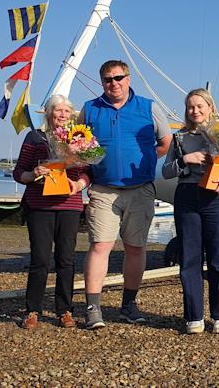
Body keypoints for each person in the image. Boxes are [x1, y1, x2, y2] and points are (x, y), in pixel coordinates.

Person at [80, 60, 172, 329]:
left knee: (135, 247)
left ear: (128, 78)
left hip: (139, 190)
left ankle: (129, 305)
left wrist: (145, 160)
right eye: (108, 79)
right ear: (102, 82)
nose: (114, 83)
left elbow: (165, 142)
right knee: (100, 246)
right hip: (103, 189)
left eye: (119, 77)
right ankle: (93, 307)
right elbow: (78, 144)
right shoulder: (90, 109)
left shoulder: (148, 107)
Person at [162, 89, 219, 335]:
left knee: (218, 258)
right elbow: (166, 171)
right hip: (187, 196)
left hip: (216, 196)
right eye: (191, 107)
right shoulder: (179, 137)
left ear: (210, 107)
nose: (195, 111)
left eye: (200, 106)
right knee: (190, 258)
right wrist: (186, 160)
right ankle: (194, 316)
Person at [14, 94, 90, 330]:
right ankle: (32, 310)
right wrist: (34, 172)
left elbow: (91, 172)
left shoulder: (82, 140)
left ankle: (64, 310)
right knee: (40, 259)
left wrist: (78, 185)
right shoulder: (35, 137)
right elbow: (19, 173)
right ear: (48, 113)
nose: (62, 115)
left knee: (66, 260)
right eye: (58, 110)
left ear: (73, 115)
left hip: (69, 205)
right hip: (39, 205)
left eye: (67, 111)